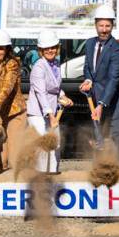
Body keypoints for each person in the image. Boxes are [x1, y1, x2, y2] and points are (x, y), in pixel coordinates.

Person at [81, 5, 119, 164]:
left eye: (107, 26)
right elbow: (88, 68)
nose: (104, 30)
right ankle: (101, 177)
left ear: (112, 26)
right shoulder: (89, 44)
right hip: (96, 101)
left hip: (115, 105)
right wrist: (88, 80)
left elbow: (114, 79)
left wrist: (101, 104)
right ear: (95, 25)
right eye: (101, 25)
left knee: (116, 143)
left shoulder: (117, 49)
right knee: (99, 141)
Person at [27, 30, 72, 172]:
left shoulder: (56, 64)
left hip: (52, 111)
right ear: (41, 50)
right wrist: (51, 115)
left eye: (52, 47)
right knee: (42, 146)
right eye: (46, 48)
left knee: (55, 145)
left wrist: (63, 96)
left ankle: (53, 174)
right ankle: (40, 177)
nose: (50, 50)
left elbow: (55, 88)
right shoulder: (38, 67)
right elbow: (41, 93)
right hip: (38, 114)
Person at [0, 29, 27, 172]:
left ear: (7, 49)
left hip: (15, 114)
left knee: (15, 154)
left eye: (1, 48)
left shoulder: (12, 64)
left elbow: (6, 89)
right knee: (0, 155)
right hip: (1, 114)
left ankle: (19, 185)